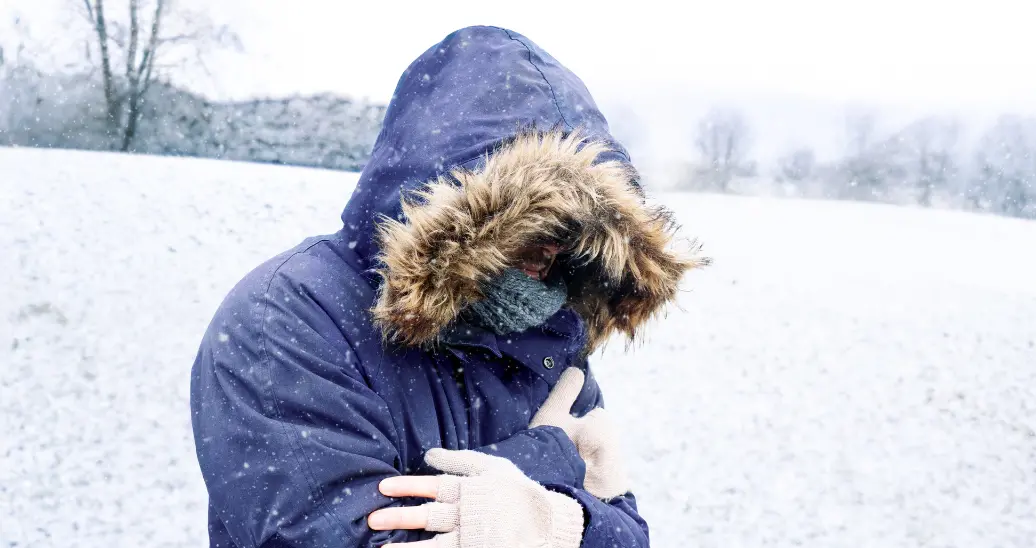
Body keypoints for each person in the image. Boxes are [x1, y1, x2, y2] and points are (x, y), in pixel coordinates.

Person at [189, 26, 705, 548]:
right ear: (459, 212)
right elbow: (327, 536)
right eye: (532, 224)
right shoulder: (288, 317)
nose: (552, 251)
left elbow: (629, 534)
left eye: (574, 233)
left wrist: (568, 525)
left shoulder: (550, 336)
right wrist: (545, 461)